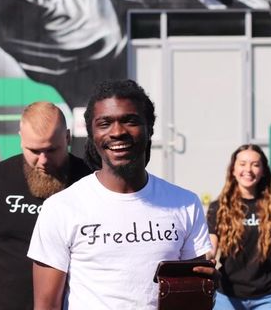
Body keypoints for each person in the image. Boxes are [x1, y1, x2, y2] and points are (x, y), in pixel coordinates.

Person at [28, 79, 213, 309]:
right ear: (91, 133)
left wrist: (207, 286)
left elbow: (190, 298)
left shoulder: (185, 204)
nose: (117, 132)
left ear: (149, 129)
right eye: (104, 123)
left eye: (130, 121)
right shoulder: (61, 208)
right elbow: (46, 305)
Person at [0, 101, 91, 310]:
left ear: (67, 137)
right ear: (21, 138)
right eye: (35, 151)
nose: (43, 160)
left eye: (51, 149)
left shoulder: (90, 180)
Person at [206, 144, 271, 310]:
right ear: (233, 170)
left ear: (263, 171)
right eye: (242, 164)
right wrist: (206, 256)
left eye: (255, 164)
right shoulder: (218, 208)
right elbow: (211, 248)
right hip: (227, 296)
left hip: (268, 296)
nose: (248, 169)